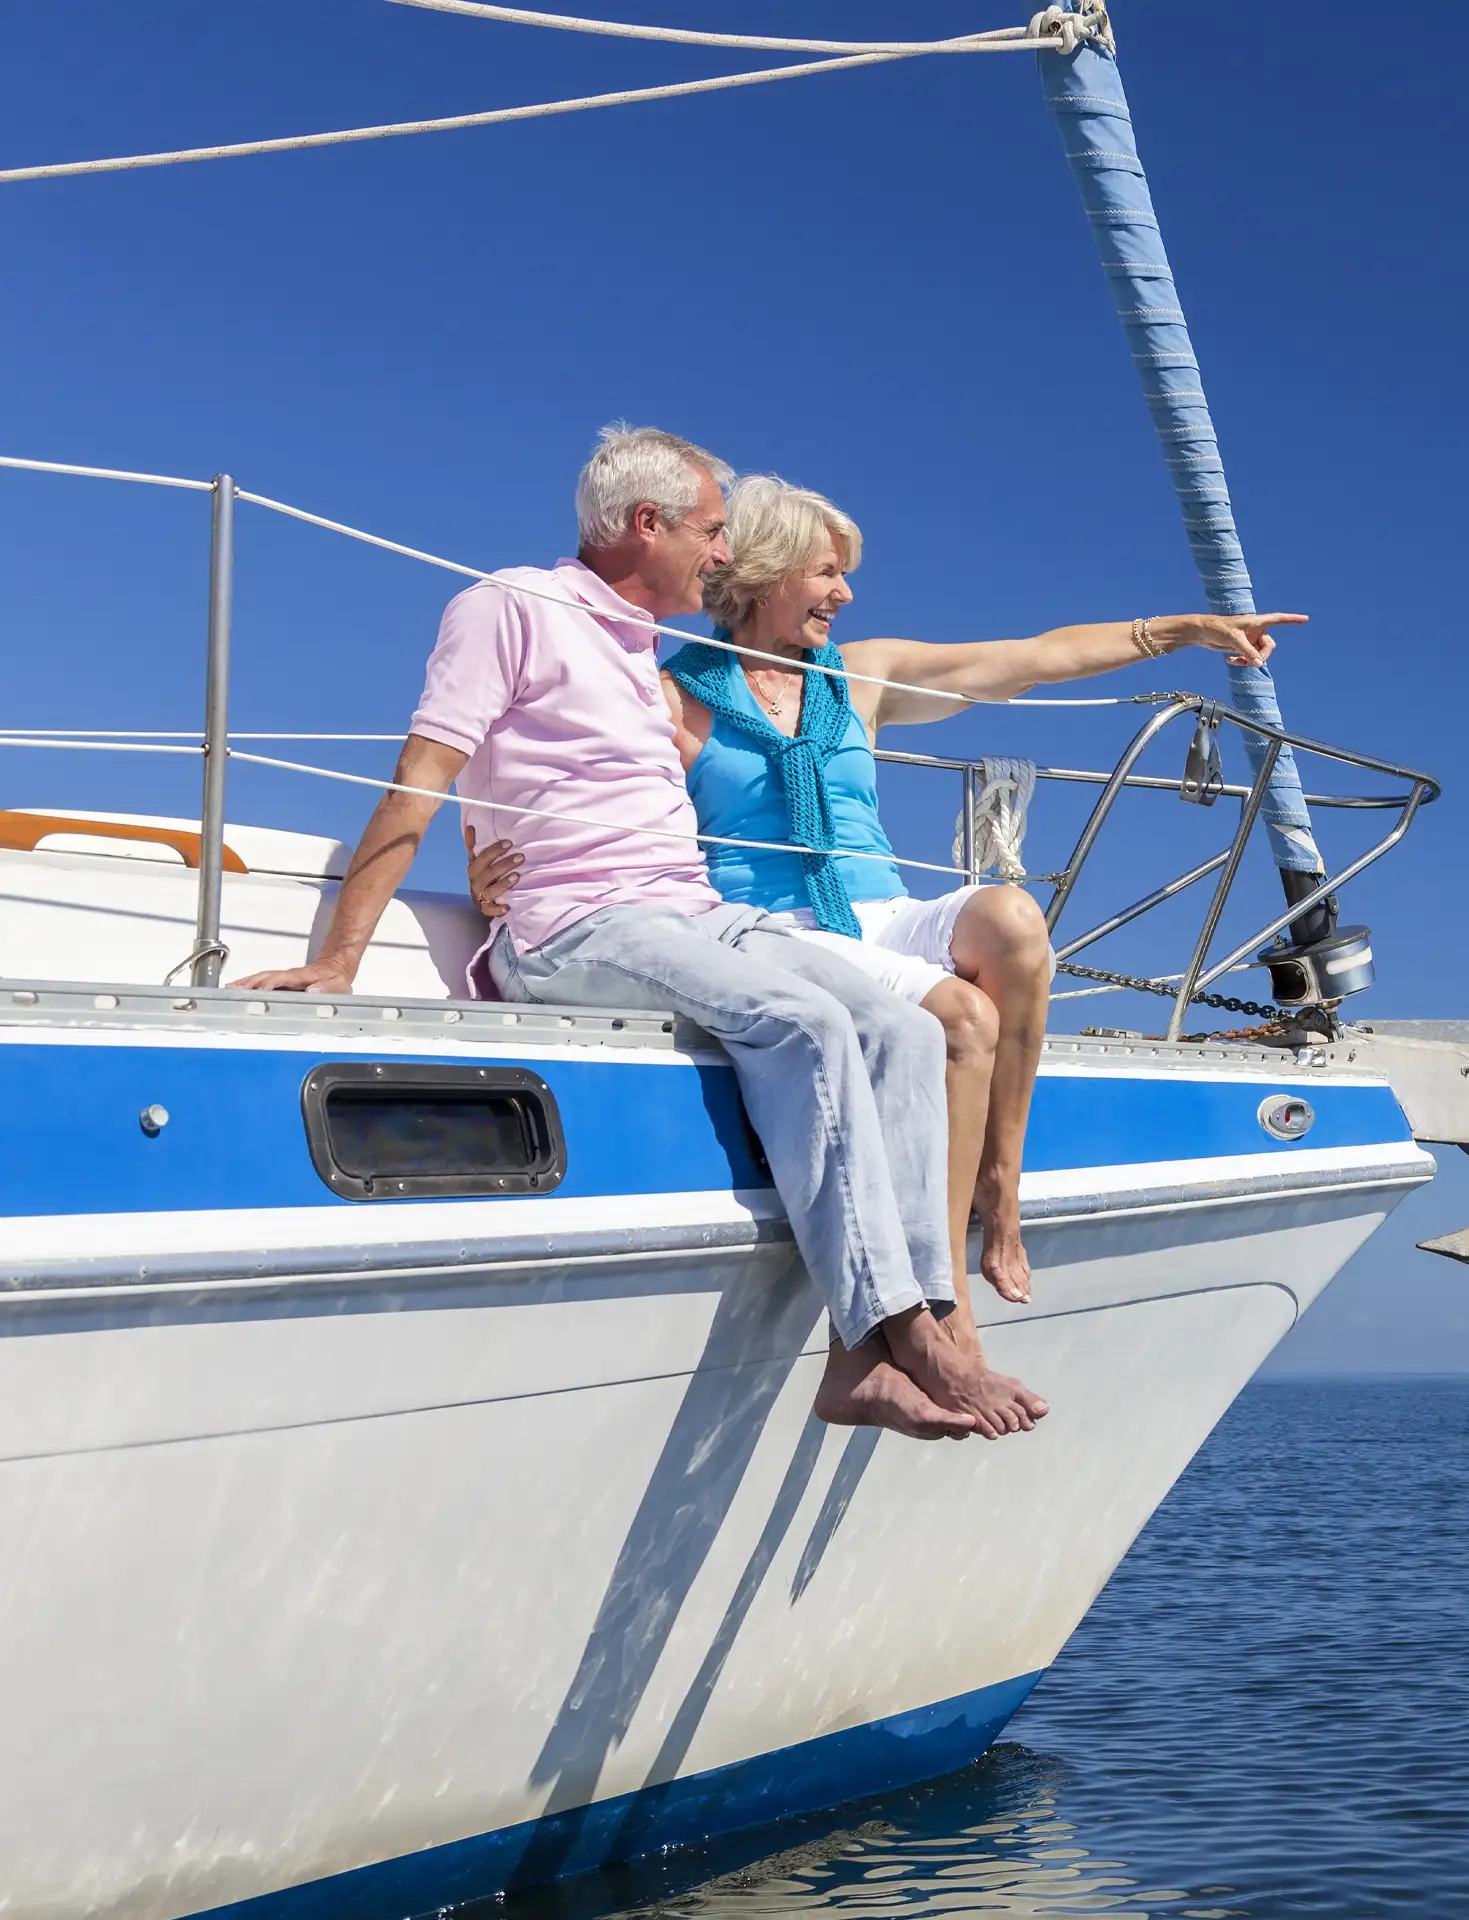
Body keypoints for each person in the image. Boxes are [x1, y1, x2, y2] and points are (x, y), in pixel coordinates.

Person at [235, 426, 1046, 1445]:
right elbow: (428, 772)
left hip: (691, 910)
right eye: (711, 532)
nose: (722, 555)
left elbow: (551, 777)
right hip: (578, 922)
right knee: (803, 1022)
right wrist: (342, 956)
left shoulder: (640, 649)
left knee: (904, 1029)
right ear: (646, 524)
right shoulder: (509, 606)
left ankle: (867, 1354)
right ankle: (907, 1330)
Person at [466, 473, 1296, 1330]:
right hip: (773, 928)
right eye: (827, 572)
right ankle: (948, 1288)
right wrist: (489, 870)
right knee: (962, 1014)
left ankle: (999, 1187)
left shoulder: (858, 677)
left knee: (1014, 918)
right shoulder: (671, 698)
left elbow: (1031, 657)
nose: (844, 592)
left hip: (880, 910)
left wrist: (1186, 631)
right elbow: (569, 783)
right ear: (767, 570)